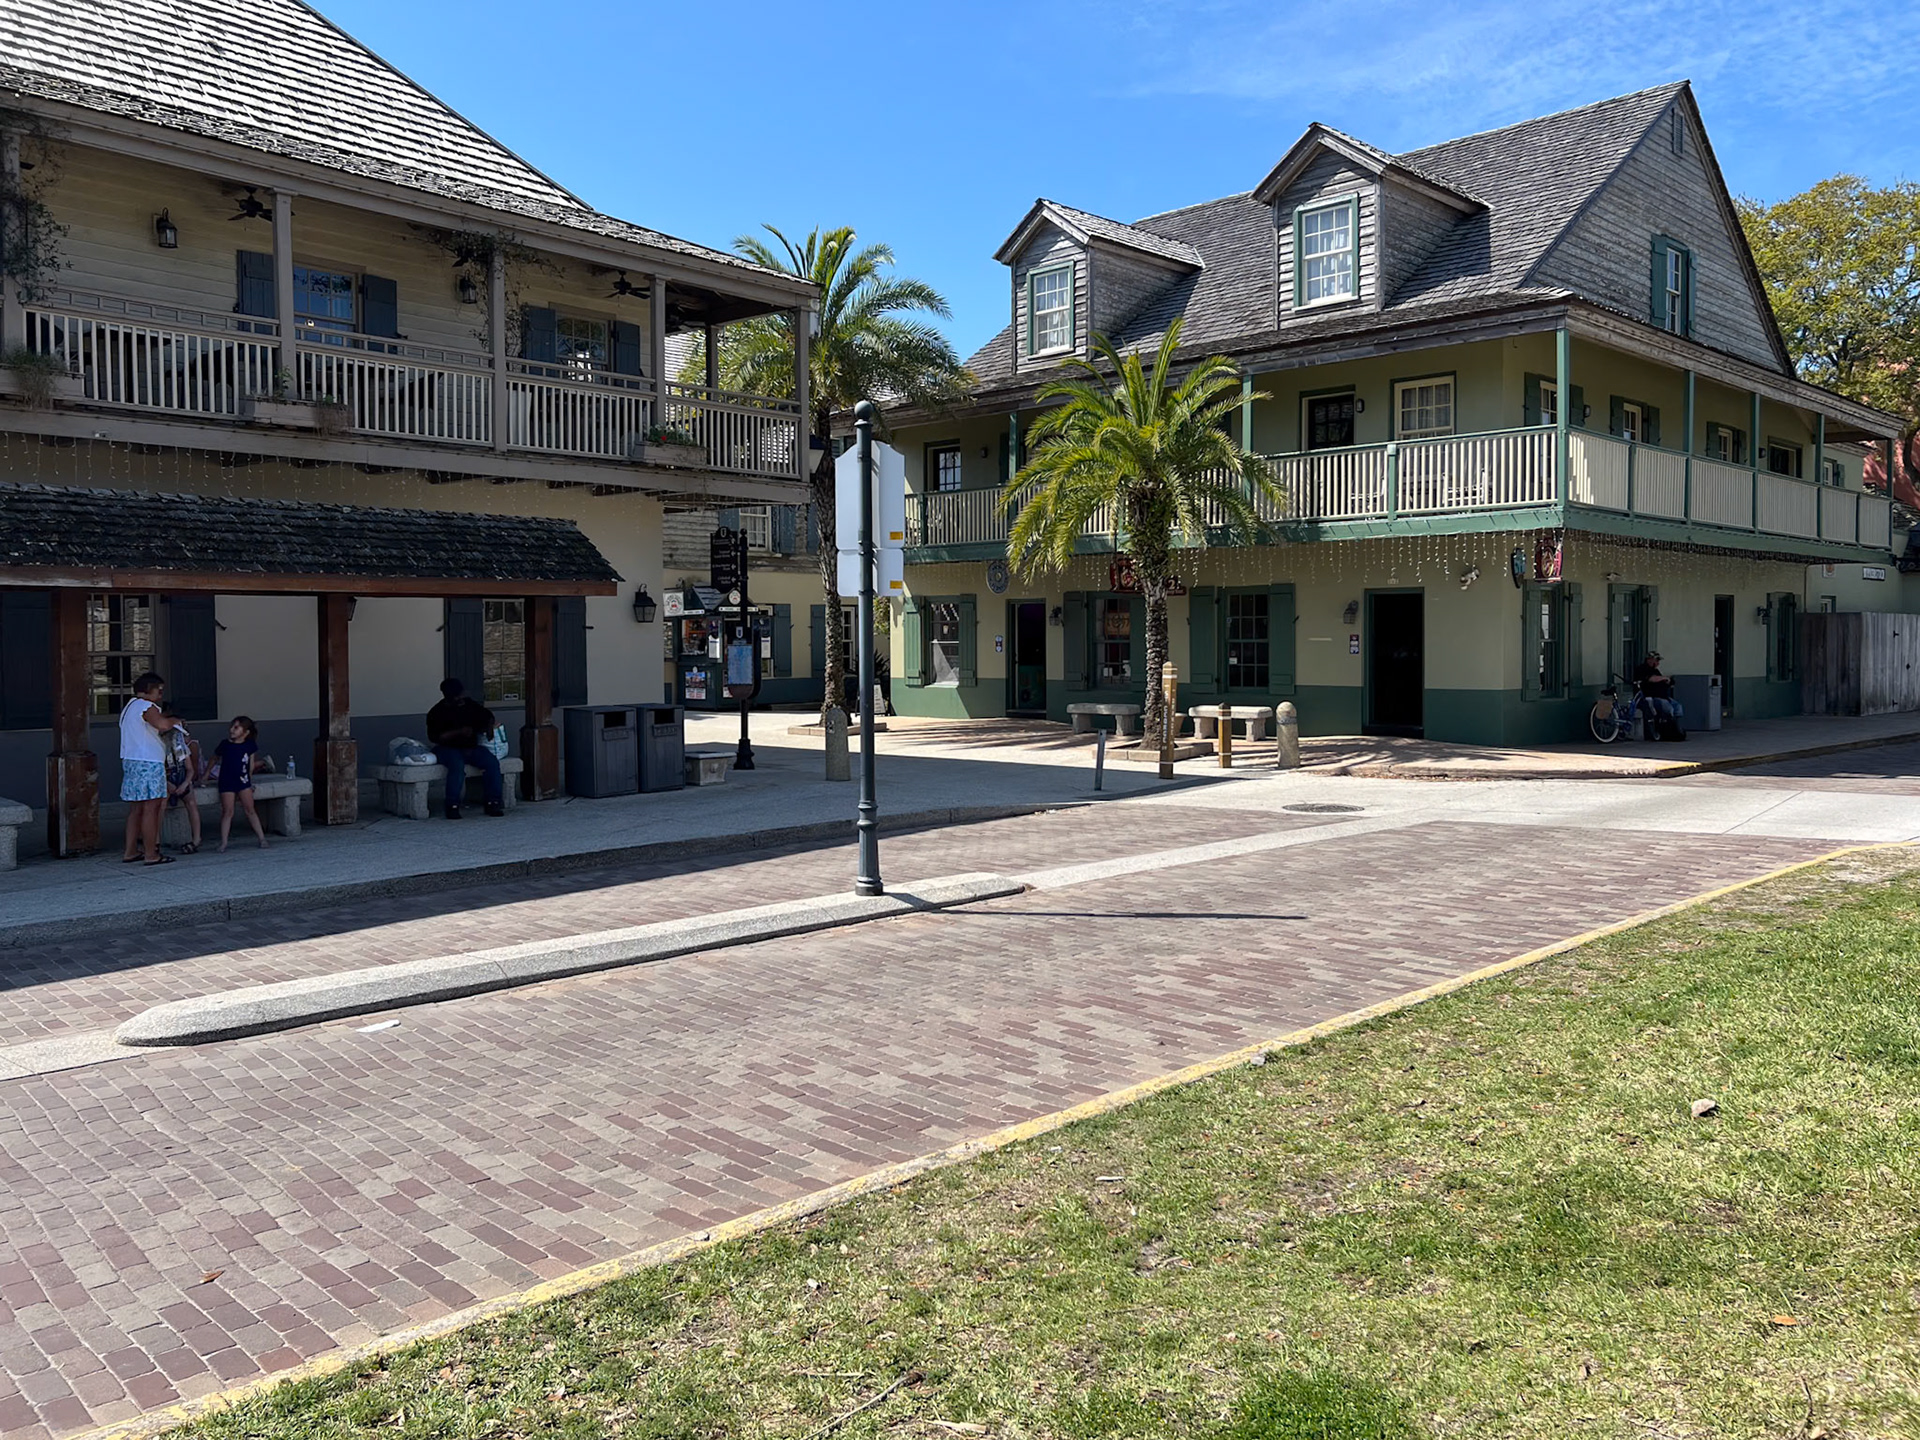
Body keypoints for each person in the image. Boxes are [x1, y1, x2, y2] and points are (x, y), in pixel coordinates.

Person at [119, 672, 177, 866]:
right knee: (151, 808)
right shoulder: (146, 706)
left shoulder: (129, 708)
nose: (161, 695)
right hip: (149, 761)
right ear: (146, 690)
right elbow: (160, 724)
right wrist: (175, 722)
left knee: (136, 809)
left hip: (131, 759)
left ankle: (130, 850)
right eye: (158, 690)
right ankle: (151, 853)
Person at [425, 677, 503, 818]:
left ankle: (493, 802)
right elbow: (435, 737)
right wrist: (458, 732)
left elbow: (487, 715)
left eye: (461, 695)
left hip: (471, 747)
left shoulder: (469, 705)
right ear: (447, 696)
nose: (461, 699)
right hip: (447, 749)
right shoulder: (437, 712)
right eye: (457, 697)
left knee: (491, 762)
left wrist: (489, 726)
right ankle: (452, 805)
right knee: (457, 766)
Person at [213, 715, 269, 851]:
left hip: (243, 781)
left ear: (246, 732)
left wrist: (249, 782)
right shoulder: (225, 745)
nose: (232, 730)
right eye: (232, 727)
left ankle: (262, 838)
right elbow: (214, 759)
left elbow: (249, 766)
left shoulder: (249, 746)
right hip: (226, 781)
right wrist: (204, 776)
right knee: (228, 811)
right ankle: (224, 842)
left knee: (250, 810)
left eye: (236, 728)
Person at [161, 704, 205, 854]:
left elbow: (190, 769)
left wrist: (185, 783)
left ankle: (197, 838)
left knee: (191, 802)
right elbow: (158, 770)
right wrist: (168, 784)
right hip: (166, 781)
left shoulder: (181, 749)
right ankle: (155, 840)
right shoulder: (159, 749)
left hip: (182, 780)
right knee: (160, 804)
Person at [1633, 650, 1685, 740]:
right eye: (1656, 660)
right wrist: (1664, 678)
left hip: (1663, 696)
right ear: (1649, 660)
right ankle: (1667, 730)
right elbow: (1651, 679)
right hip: (1651, 697)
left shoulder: (1656, 670)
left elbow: (1663, 680)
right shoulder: (1642, 669)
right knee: (1668, 708)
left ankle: (1676, 729)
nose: (1657, 663)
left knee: (1678, 707)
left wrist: (1668, 681)